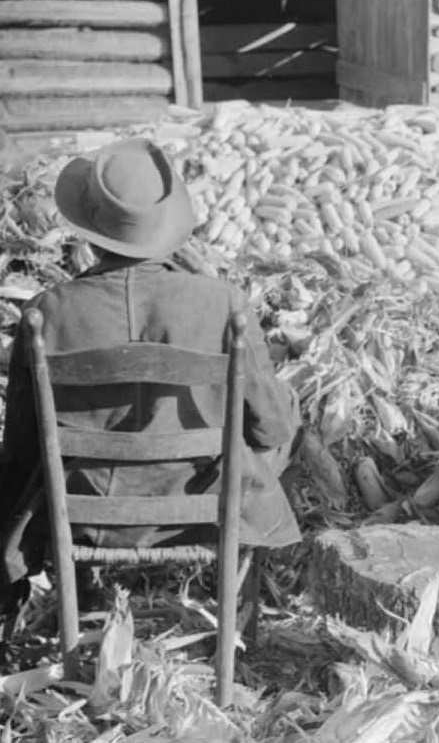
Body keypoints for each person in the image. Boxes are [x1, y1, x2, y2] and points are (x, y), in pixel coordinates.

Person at [0, 138, 302, 615]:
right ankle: (237, 605)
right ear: (167, 226)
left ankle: (81, 592)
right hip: (202, 510)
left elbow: (20, 441)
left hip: (81, 513)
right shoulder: (222, 303)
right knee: (283, 416)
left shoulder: (47, 312)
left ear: (91, 229)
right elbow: (273, 429)